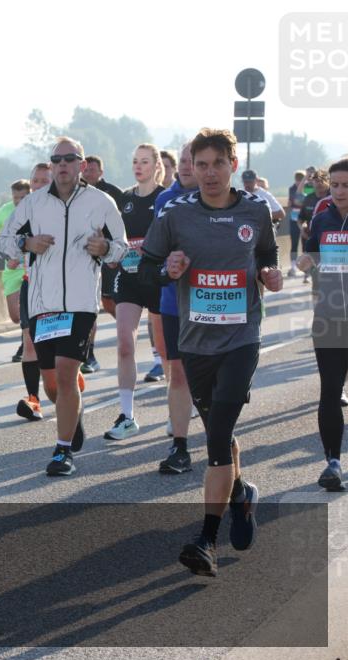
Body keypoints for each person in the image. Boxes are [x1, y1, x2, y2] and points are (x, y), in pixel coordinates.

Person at [140, 127, 282, 577]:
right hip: (195, 342)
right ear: (192, 168)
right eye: (200, 165)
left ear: (232, 165)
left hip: (241, 339)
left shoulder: (255, 210)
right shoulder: (176, 214)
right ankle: (241, 494)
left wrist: (270, 274)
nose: (209, 173)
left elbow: (267, 254)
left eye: (218, 163)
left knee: (218, 435)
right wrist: (168, 270)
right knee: (219, 430)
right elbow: (147, 268)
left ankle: (206, 540)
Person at [0, 136, 128, 476]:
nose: (62, 165)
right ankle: (73, 414)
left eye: (69, 159)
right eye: (57, 160)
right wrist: (26, 242)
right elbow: (2, 243)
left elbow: (122, 248)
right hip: (43, 305)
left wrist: (105, 249)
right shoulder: (33, 203)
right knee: (52, 383)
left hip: (81, 305)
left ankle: (62, 451)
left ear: (81, 165)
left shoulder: (101, 202)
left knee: (67, 374)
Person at [104, 144, 167, 440]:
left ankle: (179, 404)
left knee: (166, 350)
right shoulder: (125, 200)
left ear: (156, 165)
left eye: (144, 161)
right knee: (124, 344)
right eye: (134, 162)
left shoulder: (165, 198)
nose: (138, 167)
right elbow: (114, 239)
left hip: (157, 279)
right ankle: (127, 416)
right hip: (128, 278)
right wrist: (111, 253)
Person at [296, 158, 348, 490]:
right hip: (329, 316)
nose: (340, 192)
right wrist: (305, 261)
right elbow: (311, 254)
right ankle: (333, 463)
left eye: (347, 186)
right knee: (330, 390)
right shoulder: (322, 218)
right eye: (336, 185)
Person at [152, 143, 200, 474]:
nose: (184, 166)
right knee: (179, 371)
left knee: (210, 375)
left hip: (213, 299)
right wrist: (164, 268)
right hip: (173, 300)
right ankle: (180, 447)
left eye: (191, 161)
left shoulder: (228, 201)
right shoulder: (164, 200)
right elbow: (155, 250)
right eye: (182, 160)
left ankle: (222, 440)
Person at [15, 164, 58, 422]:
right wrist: (22, 243)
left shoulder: (66, 209)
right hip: (31, 284)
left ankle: (69, 380)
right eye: (35, 181)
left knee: (56, 345)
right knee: (29, 342)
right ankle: (34, 400)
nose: (39, 185)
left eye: (44, 180)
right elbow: (10, 242)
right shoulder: (24, 211)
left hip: (61, 287)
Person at [82, 155, 125, 372]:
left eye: (93, 170)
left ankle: (127, 328)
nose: (88, 173)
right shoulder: (75, 192)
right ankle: (88, 355)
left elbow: (123, 225)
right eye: (86, 169)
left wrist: (113, 252)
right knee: (90, 305)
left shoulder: (112, 194)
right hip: (84, 258)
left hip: (108, 256)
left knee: (108, 302)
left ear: (101, 172)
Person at [0, 180, 32, 362]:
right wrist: (6, 256)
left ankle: (26, 344)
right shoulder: (5, 211)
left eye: (23, 197)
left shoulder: (37, 209)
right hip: (12, 269)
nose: (19, 201)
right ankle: (27, 338)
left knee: (29, 310)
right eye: (16, 198)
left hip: (32, 267)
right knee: (15, 316)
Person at [287, 170, 308, 277]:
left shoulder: (309, 187)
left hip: (305, 219)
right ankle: (293, 267)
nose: (298, 182)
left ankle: (306, 268)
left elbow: (294, 202)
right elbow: (295, 201)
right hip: (294, 219)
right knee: (294, 243)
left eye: (300, 180)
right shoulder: (292, 188)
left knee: (306, 244)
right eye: (297, 180)